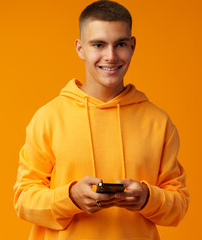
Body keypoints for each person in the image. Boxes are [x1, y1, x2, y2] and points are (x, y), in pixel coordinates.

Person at [13, 0, 189, 239]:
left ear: (133, 45)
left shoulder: (159, 122)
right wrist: (71, 197)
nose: (111, 56)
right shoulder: (48, 118)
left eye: (121, 44)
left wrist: (148, 198)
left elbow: (178, 206)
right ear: (80, 48)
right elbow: (23, 200)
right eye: (98, 44)